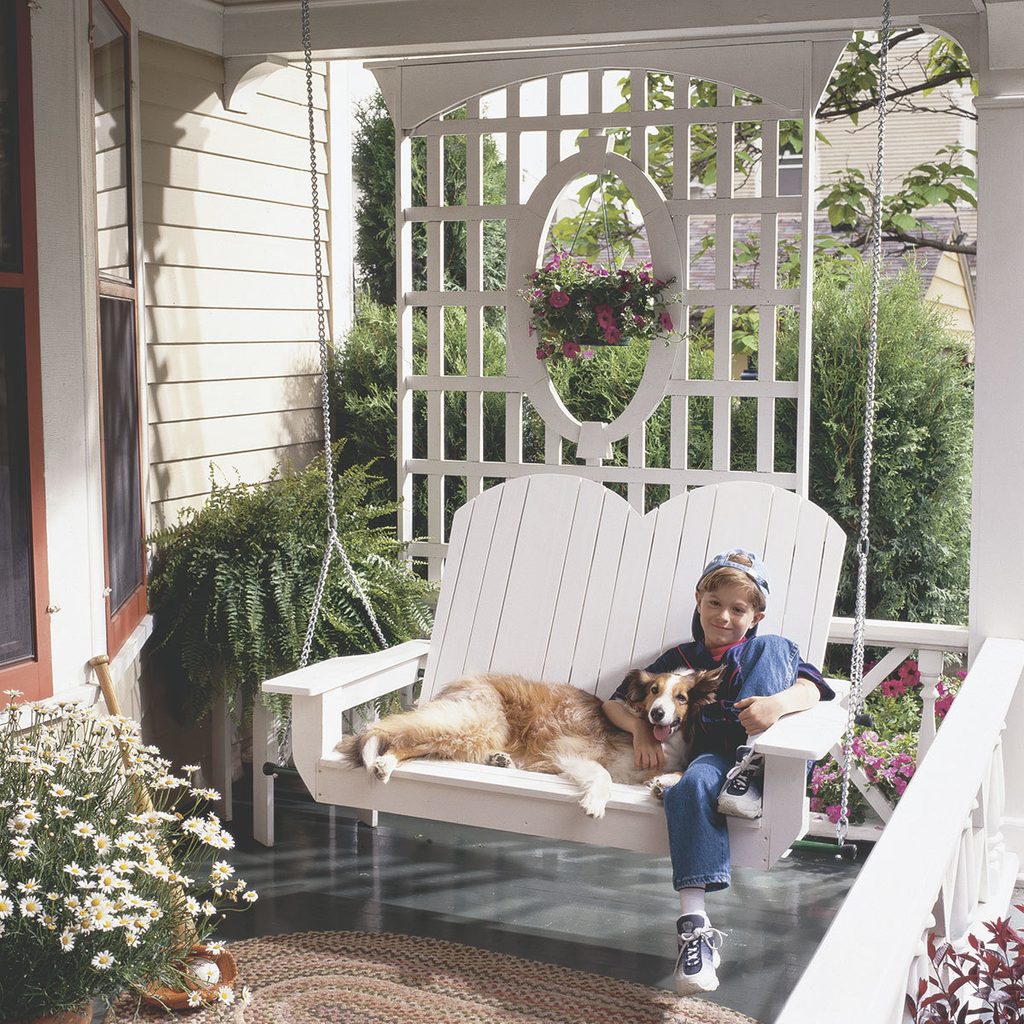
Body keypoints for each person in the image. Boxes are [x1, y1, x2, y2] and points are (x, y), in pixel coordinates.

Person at [602, 550, 834, 996]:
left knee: (776, 645)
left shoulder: (764, 650)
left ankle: (751, 766)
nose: (723, 616)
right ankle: (696, 929)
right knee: (687, 788)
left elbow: (812, 687)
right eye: (714, 603)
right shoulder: (680, 657)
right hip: (712, 760)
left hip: (765, 757)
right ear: (698, 600)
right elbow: (615, 700)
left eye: (738, 608)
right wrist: (639, 731)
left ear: (755, 614)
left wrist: (776, 704)